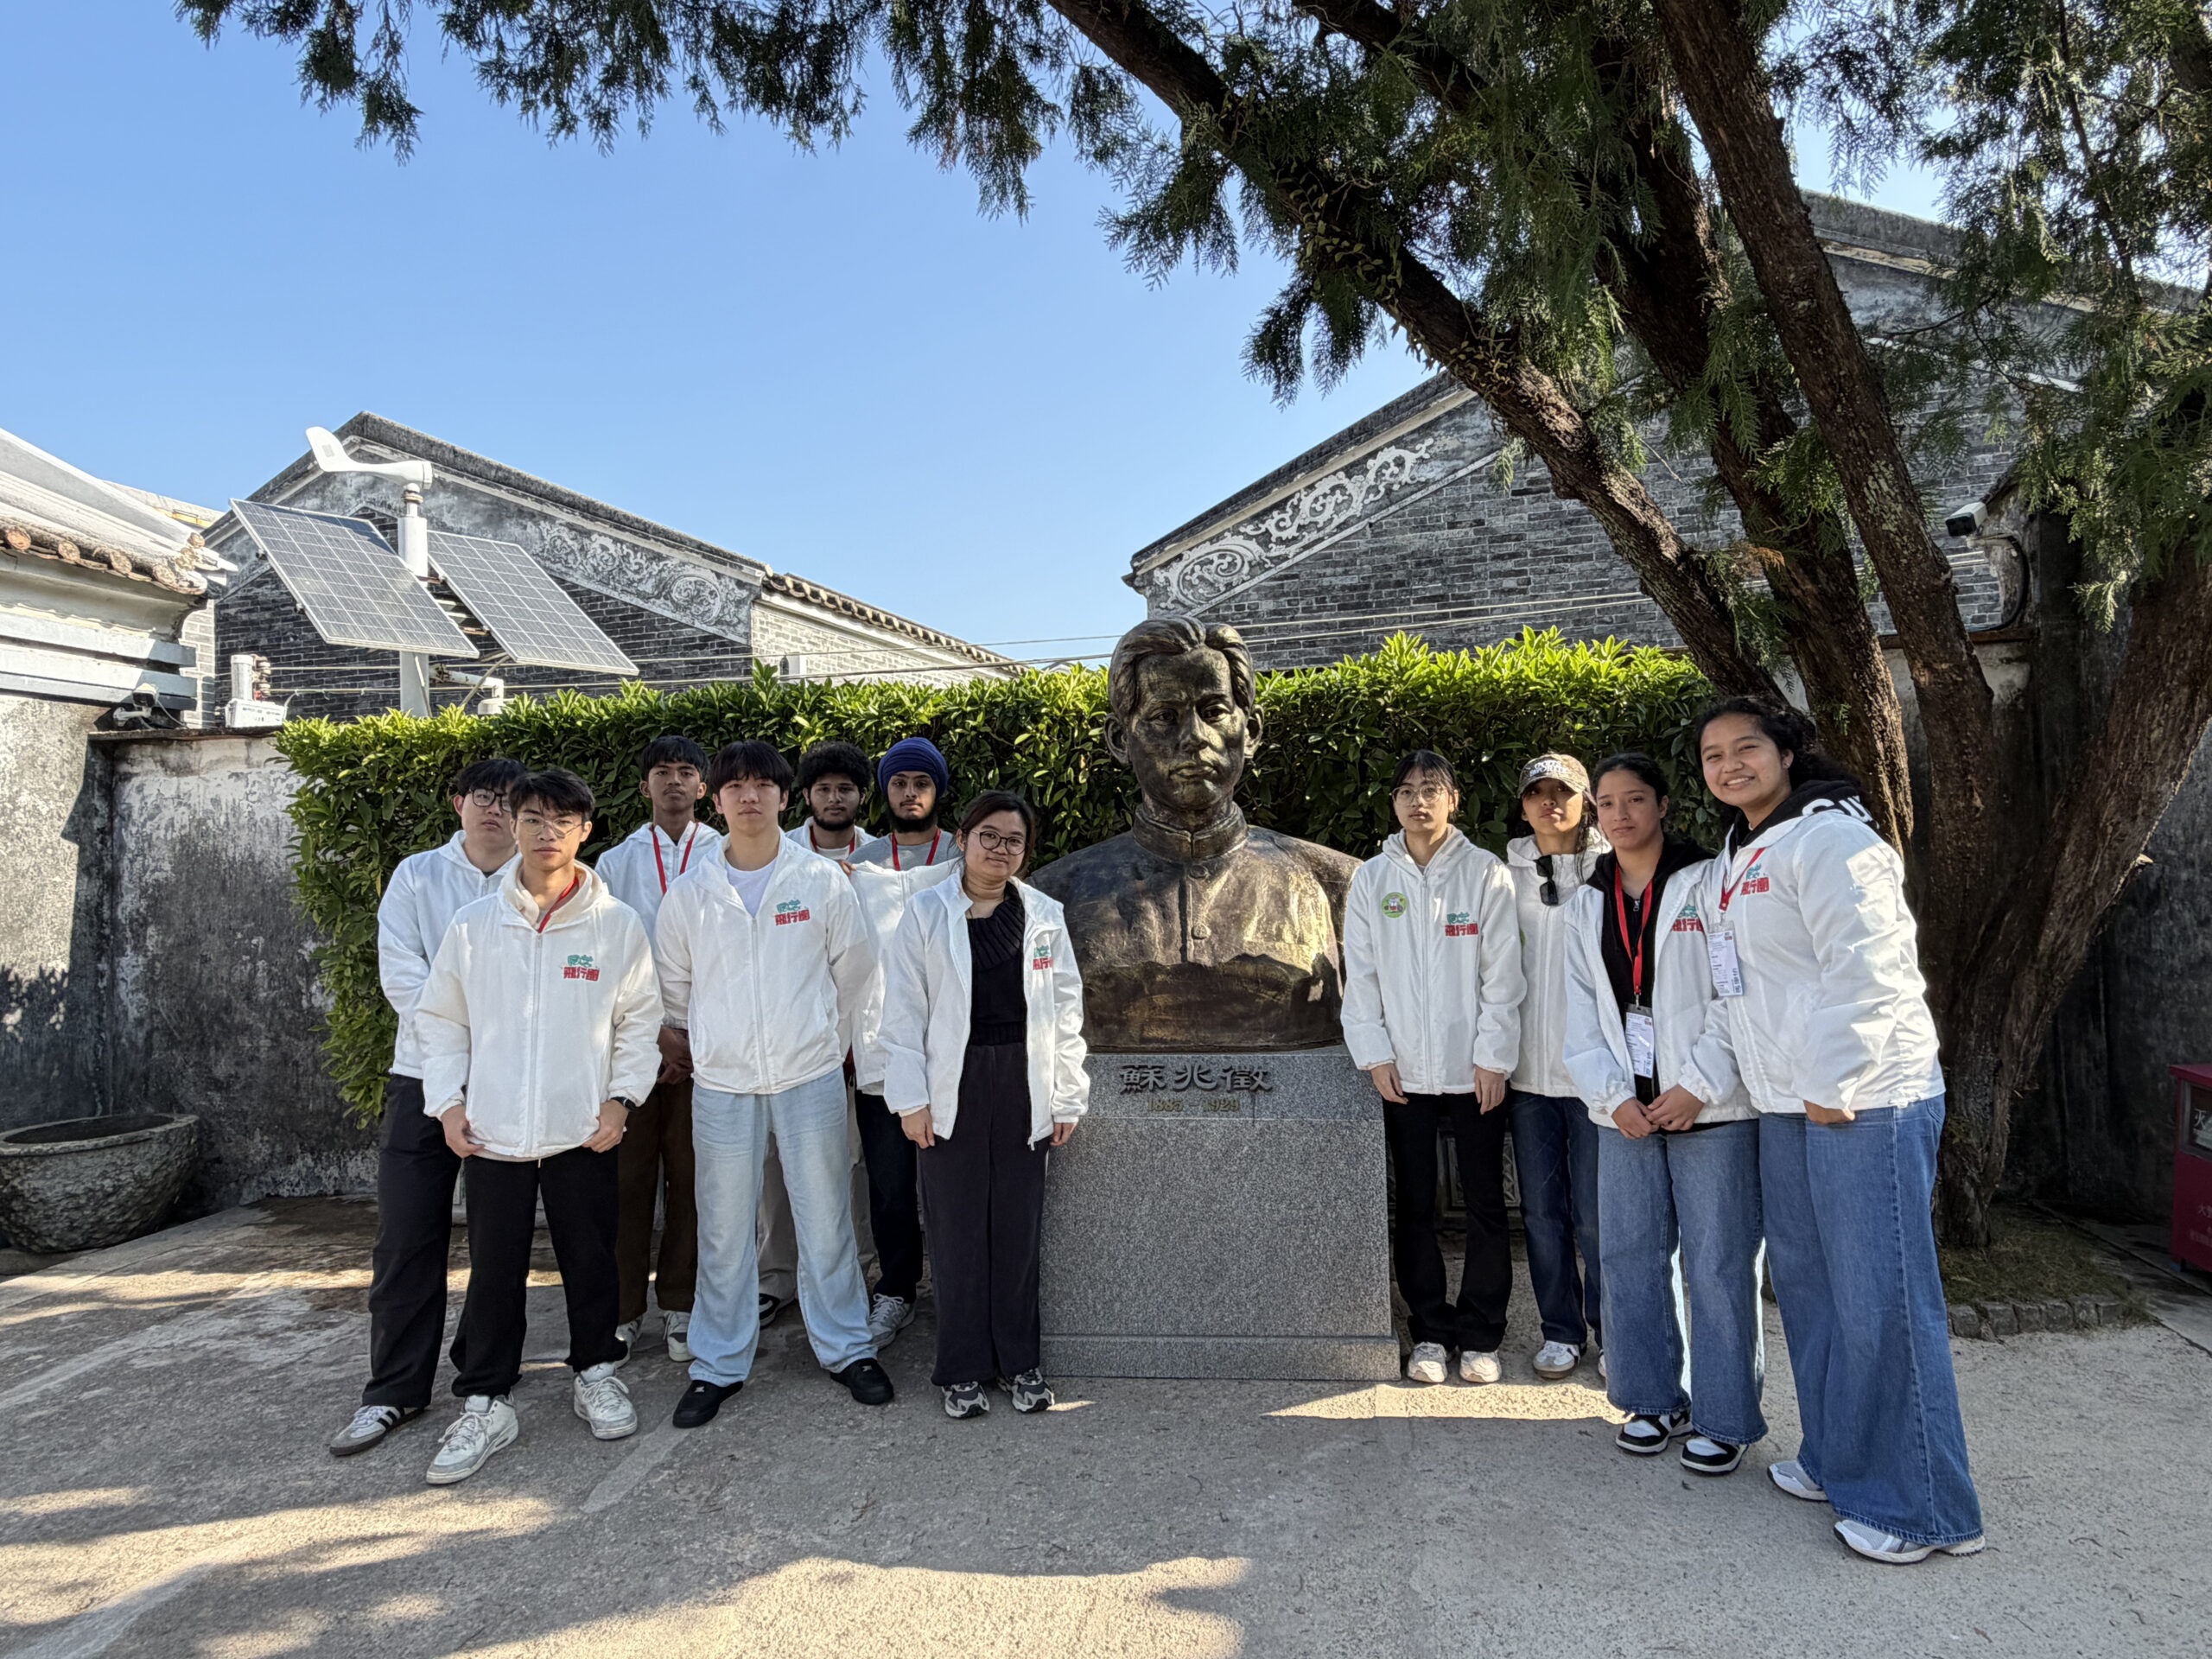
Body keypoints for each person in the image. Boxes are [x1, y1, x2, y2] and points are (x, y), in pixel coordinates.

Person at [1695, 697, 1983, 1563]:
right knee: (1813, 1293)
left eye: (1746, 747)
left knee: (1879, 1300)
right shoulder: (1736, 855)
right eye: (1712, 754)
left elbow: (1872, 971)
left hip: (1864, 1099)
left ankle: (1922, 1510)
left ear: (1788, 753)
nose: (1729, 765)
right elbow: (1738, 989)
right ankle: (1837, 1459)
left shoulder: (1832, 839)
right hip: (1789, 1102)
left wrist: (1832, 1083)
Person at [413, 767, 663, 1485]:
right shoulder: (475, 924)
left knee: (591, 1256)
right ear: (515, 826)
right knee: (494, 1267)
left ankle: (595, 1372)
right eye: (532, 819)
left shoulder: (615, 925)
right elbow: (441, 1020)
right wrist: (448, 1105)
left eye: (562, 821)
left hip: (582, 1127)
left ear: (586, 831)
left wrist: (621, 1101)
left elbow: (639, 1021)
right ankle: (486, 1399)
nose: (545, 832)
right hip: (492, 1130)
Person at [656, 740, 893, 1427]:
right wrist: (714, 1047)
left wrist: (824, 1042)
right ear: (717, 800)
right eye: (735, 786)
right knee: (725, 1226)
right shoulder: (691, 893)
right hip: (723, 1084)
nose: (749, 797)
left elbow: (855, 973)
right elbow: (675, 992)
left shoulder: (820, 881)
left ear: (785, 798)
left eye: (763, 785)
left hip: (808, 1075)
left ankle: (847, 1348)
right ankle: (717, 1363)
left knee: (826, 1216)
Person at [1561, 753, 1764, 1477]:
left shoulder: (1708, 883)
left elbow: (1735, 991)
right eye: (1607, 803)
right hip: (1625, 1114)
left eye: (1635, 799)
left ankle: (1725, 1417)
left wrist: (1697, 1085)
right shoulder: (1585, 902)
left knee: (1718, 1264)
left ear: (1664, 806)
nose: (1619, 815)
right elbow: (1578, 1015)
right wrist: (1612, 1097)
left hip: (1712, 1109)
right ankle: (1650, 1399)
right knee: (1628, 1257)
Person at [328, 755, 525, 1459]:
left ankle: (484, 1379)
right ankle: (393, 1389)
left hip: (506, 1080)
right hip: (420, 1078)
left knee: (499, 1241)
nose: (495, 810)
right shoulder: (417, 876)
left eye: (509, 800)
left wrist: (492, 1041)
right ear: (457, 803)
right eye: (483, 796)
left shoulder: (535, 882)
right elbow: (405, 978)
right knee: (407, 1235)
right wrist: (460, 1041)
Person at [880, 791, 1090, 1418]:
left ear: (1026, 851)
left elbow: (1067, 1010)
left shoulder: (1044, 914)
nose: (1000, 849)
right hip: (953, 1082)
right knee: (956, 1232)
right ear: (964, 839)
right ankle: (962, 1368)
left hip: (1025, 1080)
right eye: (989, 836)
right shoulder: (925, 912)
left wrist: (1067, 1094)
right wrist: (911, 1099)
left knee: (1017, 1231)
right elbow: (903, 1012)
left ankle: (1020, 1362)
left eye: (1014, 841)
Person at [1341, 752, 1524, 1387]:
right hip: (1402, 1074)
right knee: (1416, 1205)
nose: (1419, 801)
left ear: (1454, 800)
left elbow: (1503, 975)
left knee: (1484, 1203)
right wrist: (1375, 1054)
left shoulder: (1485, 873)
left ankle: (1481, 1334)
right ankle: (1430, 1332)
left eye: (1432, 790)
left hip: (1475, 1070)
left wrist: (1494, 1058)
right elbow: (1361, 975)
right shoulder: (1372, 879)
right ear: (1393, 802)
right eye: (1407, 791)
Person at [594, 734, 723, 1366]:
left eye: (686, 772)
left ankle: (682, 1303)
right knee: (628, 1182)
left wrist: (693, 1035)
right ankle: (622, 1312)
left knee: (695, 1181)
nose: (674, 781)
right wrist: (656, 1034)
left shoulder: (725, 854)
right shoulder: (615, 863)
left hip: (709, 1047)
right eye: (662, 772)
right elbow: (607, 956)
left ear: (704, 786)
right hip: (634, 1046)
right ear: (644, 784)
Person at [1505, 751, 1611, 1380]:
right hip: (1527, 1076)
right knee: (1543, 1216)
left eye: (1563, 792)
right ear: (1522, 807)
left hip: (1596, 1077)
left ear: (1585, 802)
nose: (1550, 802)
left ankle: (1611, 1332)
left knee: (1597, 1218)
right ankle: (1561, 1331)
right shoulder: (1503, 876)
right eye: (1537, 792)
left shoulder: (1613, 869)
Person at [850, 736, 957, 869]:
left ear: (937, 791)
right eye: (900, 783)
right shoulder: (860, 862)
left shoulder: (963, 856)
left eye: (922, 784)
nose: (910, 793)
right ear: (887, 791)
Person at [787, 741, 881, 861]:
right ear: (807, 795)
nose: (834, 799)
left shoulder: (879, 856)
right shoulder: (782, 851)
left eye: (845, 789)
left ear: (862, 796)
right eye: (824, 789)